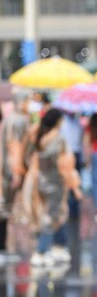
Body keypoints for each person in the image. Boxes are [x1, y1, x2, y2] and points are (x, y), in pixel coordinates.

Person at [23, 108, 83, 267]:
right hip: (55, 183)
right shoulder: (59, 139)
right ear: (58, 121)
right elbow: (66, 165)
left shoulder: (38, 136)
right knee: (52, 216)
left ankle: (60, 246)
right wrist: (75, 186)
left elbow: (29, 157)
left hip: (39, 181)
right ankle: (41, 251)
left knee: (56, 214)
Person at [0, 90, 32, 261]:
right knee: (4, 208)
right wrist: (17, 172)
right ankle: (2, 248)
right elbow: (15, 147)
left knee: (5, 207)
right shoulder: (18, 121)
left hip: (6, 168)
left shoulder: (9, 118)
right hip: (10, 170)